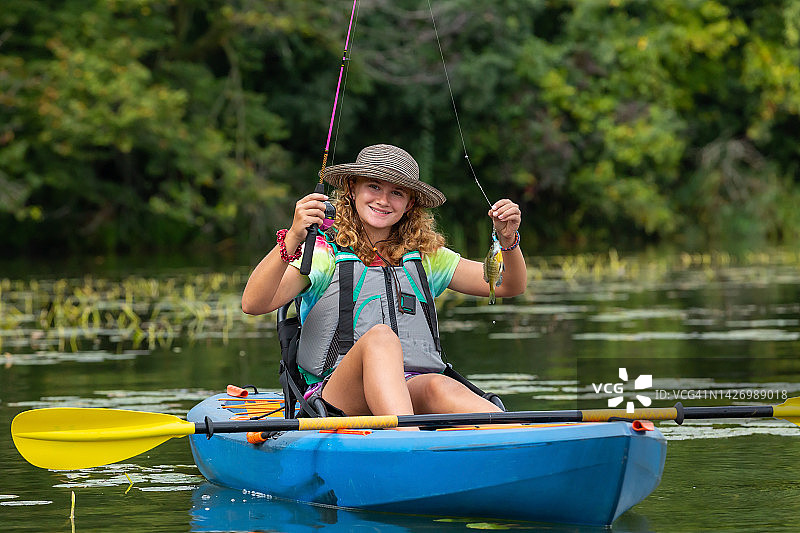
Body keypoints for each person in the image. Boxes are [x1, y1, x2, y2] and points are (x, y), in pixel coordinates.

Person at [242, 144, 526, 420]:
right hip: (336, 396)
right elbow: (253, 304)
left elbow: (507, 285)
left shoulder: (426, 257)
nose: (383, 200)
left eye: (397, 192)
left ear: (410, 203)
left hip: (410, 386)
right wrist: (293, 236)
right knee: (380, 338)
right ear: (352, 189)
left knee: (438, 384)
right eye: (374, 186)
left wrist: (507, 239)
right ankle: (408, 446)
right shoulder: (324, 253)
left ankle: (512, 439)